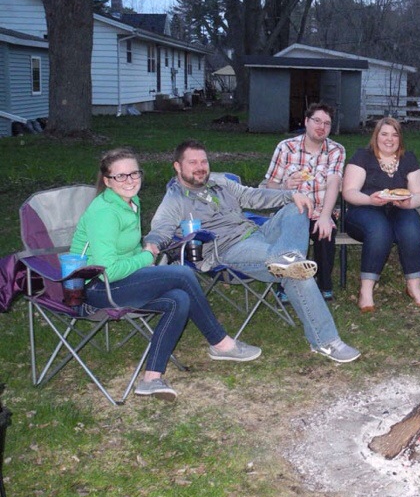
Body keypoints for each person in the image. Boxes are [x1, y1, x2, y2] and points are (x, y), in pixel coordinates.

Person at [145, 140, 361, 364]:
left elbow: (252, 196)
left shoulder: (219, 181)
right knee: (297, 273)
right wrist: (150, 248)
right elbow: (160, 230)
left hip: (258, 231)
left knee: (296, 208)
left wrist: (290, 195)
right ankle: (326, 340)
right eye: (193, 163)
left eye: (204, 161)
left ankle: (288, 258)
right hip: (230, 248)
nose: (200, 167)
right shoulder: (175, 200)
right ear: (178, 166)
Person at [72, 148, 262, 402]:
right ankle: (220, 342)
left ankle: (151, 379)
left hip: (120, 281)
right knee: (182, 274)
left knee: (179, 299)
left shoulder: (130, 202)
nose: (130, 180)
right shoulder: (105, 213)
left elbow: (127, 252)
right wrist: (146, 258)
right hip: (96, 288)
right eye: (120, 176)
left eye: (134, 173)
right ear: (107, 181)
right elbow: (109, 270)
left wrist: (144, 263)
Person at [341, 117, 420, 312]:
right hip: (364, 209)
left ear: (400, 138)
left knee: (412, 226)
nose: (389, 139)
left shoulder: (408, 159)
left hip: (398, 208)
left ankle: (414, 286)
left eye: (394, 135)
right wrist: (370, 200)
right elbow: (349, 192)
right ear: (376, 136)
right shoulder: (363, 156)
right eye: (384, 134)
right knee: (379, 229)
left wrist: (409, 203)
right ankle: (366, 291)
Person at [261, 103, 344, 300]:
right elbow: (269, 185)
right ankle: (287, 285)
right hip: (292, 210)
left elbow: (334, 183)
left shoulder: (336, 150)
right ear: (306, 121)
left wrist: (325, 216)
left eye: (327, 123)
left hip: (321, 209)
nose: (321, 127)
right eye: (317, 121)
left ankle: (324, 285)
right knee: (293, 227)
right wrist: (285, 186)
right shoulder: (286, 148)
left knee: (325, 232)